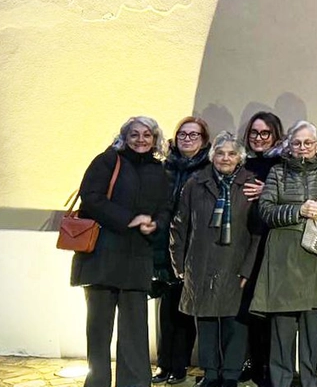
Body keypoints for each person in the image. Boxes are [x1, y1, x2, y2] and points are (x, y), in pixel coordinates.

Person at [70, 116, 172, 387]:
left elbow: (165, 208)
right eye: (134, 134)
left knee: (135, 334)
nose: (141, 140)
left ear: (155, 139)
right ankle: (97, 383)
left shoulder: (159, 171)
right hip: (102, 257)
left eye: (147, 135)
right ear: (124, 137)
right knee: (99, 333)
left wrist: (156, 224)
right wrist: (129, 219)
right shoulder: (107, 161)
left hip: (137, 258)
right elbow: (90, 196)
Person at [249, 121, 317, 387]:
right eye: (297, 143)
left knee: (311, 331)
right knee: (281, 333)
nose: (302, 148)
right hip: (284, 259)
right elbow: (266, 211)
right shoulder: (277, 172)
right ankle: (280, 382)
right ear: (288, 146)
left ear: (316, 145)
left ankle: (309, 383)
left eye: (308, 142)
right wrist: (298, 211)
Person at [170, 133, 258, 387]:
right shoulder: (196, 183)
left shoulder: (251, 185)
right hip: (200, 263)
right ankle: (210, 373)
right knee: (206, 321)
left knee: (235, 323)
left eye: (231, 153)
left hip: (236, 264)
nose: (225, 158)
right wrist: (179, 264)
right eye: (220, 153)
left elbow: (257, 234)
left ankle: (230, 374)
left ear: (240, 158)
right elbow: (179, 225)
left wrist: (247, 269)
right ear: (212, 156)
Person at [152, 117, 213, 384]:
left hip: (194, 248)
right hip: (164, 246)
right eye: (183, 135)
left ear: (203, 140)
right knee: (167, 311)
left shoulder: (208, 170)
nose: (187, 140)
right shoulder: (164, 167)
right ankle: (164, 364)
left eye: (194, 135)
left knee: (188, 312)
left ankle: (180, 366)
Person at [238, 111, 285, 387]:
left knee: (267, 306)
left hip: (271, 242)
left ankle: (267, 364)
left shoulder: (282, 163)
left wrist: (267, 190)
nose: (258, 138)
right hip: (244, 240)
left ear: (275, 135)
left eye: (264, 133)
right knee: (245, 306)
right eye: (254, 133)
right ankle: (249, 361)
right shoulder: (240, 161)